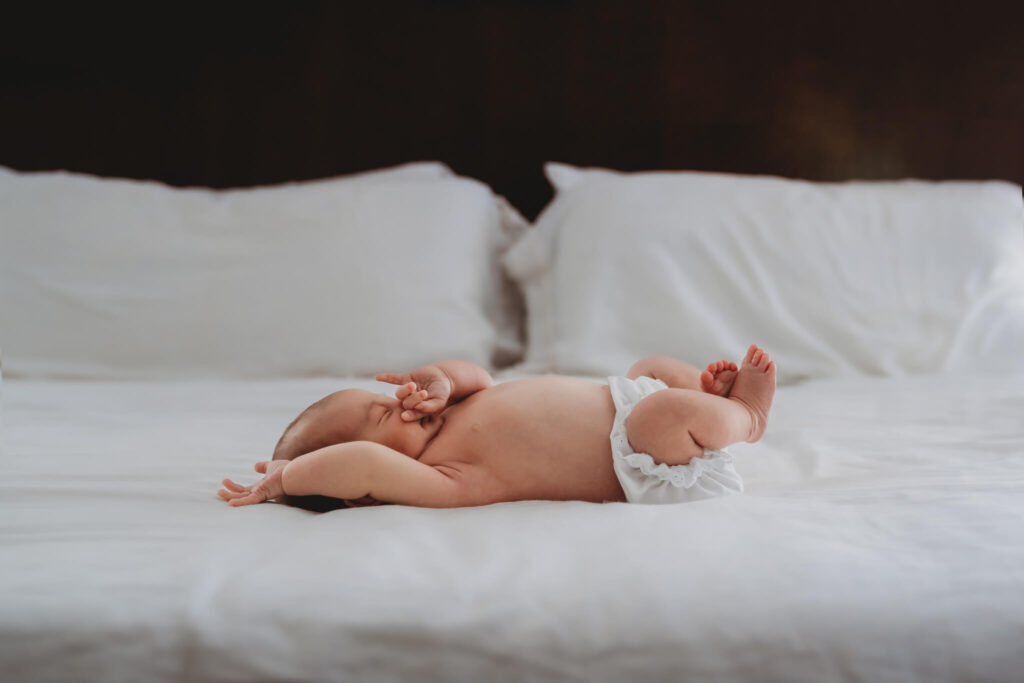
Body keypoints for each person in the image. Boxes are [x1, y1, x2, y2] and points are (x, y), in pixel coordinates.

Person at [217, 345, 776, 508]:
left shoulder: (452, 411)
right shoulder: (443, 477)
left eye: (386, 396)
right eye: (384, 415)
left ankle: (708, 404)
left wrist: (439, 379)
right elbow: (358, 464)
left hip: (632, 400)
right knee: (663, 414)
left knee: (648, 370)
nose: (402, 403)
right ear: (363, 495)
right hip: (647, 454)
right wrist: (287, 479)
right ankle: (745, 419)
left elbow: (478, 374)